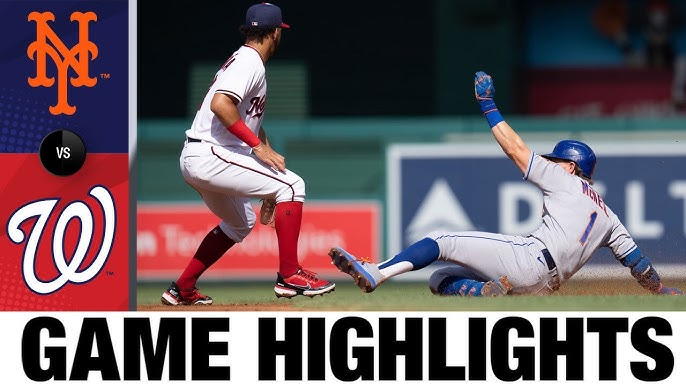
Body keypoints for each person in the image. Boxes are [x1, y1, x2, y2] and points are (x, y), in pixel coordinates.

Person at [329, 71, 683, 297]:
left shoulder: (565, 181)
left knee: (440, 240)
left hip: (529, 260)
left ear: (572, 167)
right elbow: (637, 263)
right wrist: (660, 290)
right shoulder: (609, 215)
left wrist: (489, 107)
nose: (551, 163)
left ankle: (376, 273)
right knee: (440, 280)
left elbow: (517, 151)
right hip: (542, 288)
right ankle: (485, 292)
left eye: (557, 159)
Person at [162, 3, 335, 305]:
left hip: (201, 156)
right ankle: (289, 276)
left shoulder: (244, 61)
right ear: (275, 34)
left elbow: (245, 120)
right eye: (281, 31)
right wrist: (259, 149)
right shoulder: (250, 62)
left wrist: (263, 158)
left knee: (241, 221)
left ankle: (182, 288)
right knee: (293, 186)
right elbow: (221, 105)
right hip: (210, 153)